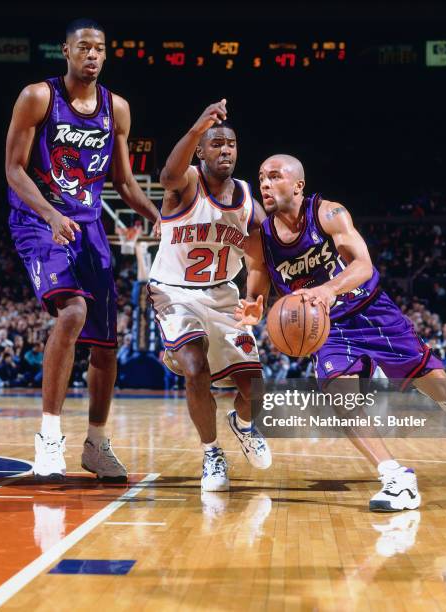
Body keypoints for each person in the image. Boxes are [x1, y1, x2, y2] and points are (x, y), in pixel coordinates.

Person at [236, 154, 446, 511]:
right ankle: (395, 475)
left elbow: (363, 264)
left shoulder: (328, 213)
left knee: (443, 391)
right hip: (327, 330)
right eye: (261, 178)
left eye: (274, 176)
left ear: (298, 185)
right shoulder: (259, 240)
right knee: (340, 400)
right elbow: (256, 291)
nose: (265, 184)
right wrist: (254, 308)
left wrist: (329, 290)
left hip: (371, 311)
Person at [5, 17, 160, 482]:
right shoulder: (38, 97)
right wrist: (52, 216)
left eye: (100, 48)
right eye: (84, 47)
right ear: (65, 51)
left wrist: (164, 221)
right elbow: (14, 170)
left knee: (106, 346)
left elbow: (124, 183)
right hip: (40, 220)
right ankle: (50, 438)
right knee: (71, 313)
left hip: (90, 226)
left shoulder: (119, 109)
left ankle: (96, 443)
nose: (92, 54)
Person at [148, 100, 272, 492]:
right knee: (195, 365)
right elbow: (167, 174)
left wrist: (257, 298)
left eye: (231, 144)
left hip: (222, 296)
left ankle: (245, 425)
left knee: (255, 388)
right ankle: (212, 453)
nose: (225, 151)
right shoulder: (185, 183)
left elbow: (261, 260)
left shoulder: (250, 202)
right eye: (216, 144)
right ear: (201, 150)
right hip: (174, 292)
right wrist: (197, 127)